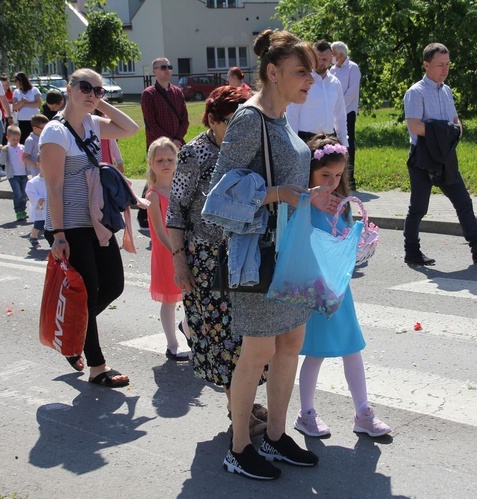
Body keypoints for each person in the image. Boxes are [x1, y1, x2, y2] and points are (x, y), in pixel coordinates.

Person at [208, 29, 322, 480]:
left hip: (290, 251)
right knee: (256, 352)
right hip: (258, 254)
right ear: (272, 73)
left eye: (312, 72)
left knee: (290, 343)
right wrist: (278, 193)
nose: (310, 80)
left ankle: (275, 437)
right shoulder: (248, 119)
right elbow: (221, 193)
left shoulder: (282, 118)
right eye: (301, 72)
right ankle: (238, 447)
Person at [167, 85, 269, 436]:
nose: (238, 129)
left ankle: (245, 401)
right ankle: (235, 409)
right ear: (211, 119)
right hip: (206, 259)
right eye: (230, 121)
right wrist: (180, 261)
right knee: (223, 337)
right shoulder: (193, 154)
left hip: (245, 253)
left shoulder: (246, 150)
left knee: (249, 335)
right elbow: (175, 212)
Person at [40, 68, 139, 386]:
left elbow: (131, 128)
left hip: (95, 221)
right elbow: (53, 188)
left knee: (113, 284)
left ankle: (74, 333)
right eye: (85, 87)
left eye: (98, 90)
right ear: (68, 88)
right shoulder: (55, 133)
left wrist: (99, 103)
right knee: (89, 291)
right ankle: (97, 367)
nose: (92, 94)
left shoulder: (93, 124)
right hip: (68, 225)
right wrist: (58, 235)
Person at [295, 134, 391, 439]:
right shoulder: (305, 204)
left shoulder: (342, 204)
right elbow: (301, 242)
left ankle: (362, 411)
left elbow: (344, 240)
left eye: (338, 175)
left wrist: (359, 241)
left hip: (339, 288)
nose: (333, 182)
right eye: (325, 175)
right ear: (309, 173)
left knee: (352, 348)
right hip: (314, 289)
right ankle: (305, 413)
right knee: (316, 352)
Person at [403, 43, 477, 266]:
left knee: (463, 202)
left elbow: (455, 120)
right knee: (419, 207)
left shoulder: (447, 90)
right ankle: (411, 250)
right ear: (426, 65)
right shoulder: (415, 92)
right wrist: (444, 130)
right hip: (422, 157)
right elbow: (415, 127)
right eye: (440, 64)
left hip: (445, 156)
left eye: (448, 64)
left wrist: (456, 128)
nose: (445, 69)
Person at [144, 137, 190, 361]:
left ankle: (187, 327)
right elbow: (160, 231)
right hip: (167, 253)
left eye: (170, 159)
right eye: (160, 159)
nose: (166, 163)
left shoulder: (181, 188)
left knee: (192, 295)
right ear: (151, 163)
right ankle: (172, 345)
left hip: (186, 249)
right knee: (170, 299)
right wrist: (176, 250)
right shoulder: (152, 195)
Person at [286, 40, 348, 147]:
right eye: (317, 59)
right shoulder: (303, 81)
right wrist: (294, 143)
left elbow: (340, 116)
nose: (320, 63)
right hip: (305, 139)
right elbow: (292, 114)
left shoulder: (335, 83)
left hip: (329, 139)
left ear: (331, 59)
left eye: (324, 59)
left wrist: (344, 143)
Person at [330, 41, 361, 189]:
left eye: (333, 54)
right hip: (333, 113)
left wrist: (340, 106)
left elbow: (352, 92)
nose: (332, 58)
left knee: (349, 144)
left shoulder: (352, 68)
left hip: (348, 111)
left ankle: (350, 178)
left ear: (341, 55)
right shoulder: (332, 70)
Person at [140, 57, 189, 149]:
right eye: (163, 67)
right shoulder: (149, 94)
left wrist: (177, 139)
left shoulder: (178, 92)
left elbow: (185, 120)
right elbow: (151, 124)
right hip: (158, 146)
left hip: (178, 145)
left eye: (169, 67)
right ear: (154, 71)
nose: (167, 70)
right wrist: (170, 141)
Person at [0, 125, 29, 221]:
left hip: (23, 174)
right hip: (13, 176)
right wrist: (3, 152)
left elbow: (26, 159)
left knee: (24, 194)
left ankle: (23, 210)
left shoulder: (22, 147)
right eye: (13, 139)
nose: (15, 142)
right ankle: (18, 211)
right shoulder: (7, 149)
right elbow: (1, 162)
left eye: (17, 139)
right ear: (8, 138)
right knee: (18, 194)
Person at [12, 72, 41, 144]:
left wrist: (24, 104)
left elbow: (38, 103)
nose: (15, 83)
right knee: (23, 141)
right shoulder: (16, 92)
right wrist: (21, 102)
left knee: (35, 140)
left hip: (34, 120)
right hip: (22, 120)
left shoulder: (34, 90)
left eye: (16, 81)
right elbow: (14, 106)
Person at [25, 167, 46, 249]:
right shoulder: (33, 182)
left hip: (50, 207)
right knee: (39, 224)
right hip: (40, 207)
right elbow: (30, 192)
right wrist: (37, 199)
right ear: (38, 164)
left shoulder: (52, 179)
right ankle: (33, 236)